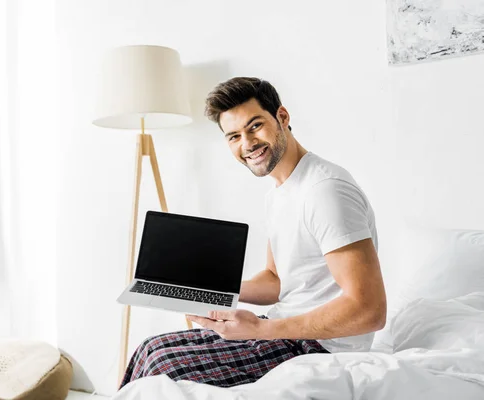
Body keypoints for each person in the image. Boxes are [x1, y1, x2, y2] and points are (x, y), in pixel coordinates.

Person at [119, 77, 386, 389]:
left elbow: (369, 310)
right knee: (151, 348)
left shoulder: (325, 191)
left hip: (321, 348)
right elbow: (276, 281)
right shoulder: (279, 192)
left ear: (282, 118)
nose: (247, 144)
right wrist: (209, 290)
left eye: (255, 126)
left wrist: (260, 329)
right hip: (284, 332)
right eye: (234, 136)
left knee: (164, 370)